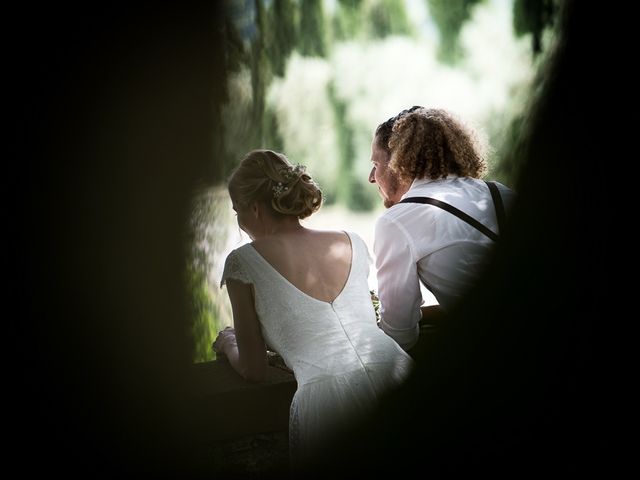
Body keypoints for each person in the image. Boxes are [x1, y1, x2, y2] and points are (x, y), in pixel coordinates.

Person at [212, 149, 413, 466]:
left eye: (237, 211)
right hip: (396, 370)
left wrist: (227, 342)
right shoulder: (350, 240)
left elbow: (253, 368)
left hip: (329, 404)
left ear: (253, 207)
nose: (240, 221)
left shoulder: (243, 262)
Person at [369, 107, 516, 351]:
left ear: (398, 163)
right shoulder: (500, 193)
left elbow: (400, 335)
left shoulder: (397, 221)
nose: (371, 177)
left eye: (376, 163)